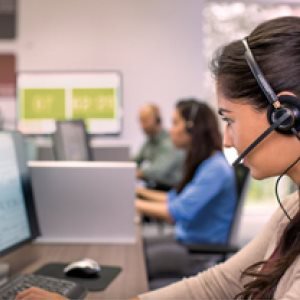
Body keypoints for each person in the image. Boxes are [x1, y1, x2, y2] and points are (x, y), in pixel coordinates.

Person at [16, 16, 300, 300]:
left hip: (195, 247)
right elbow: (220, 284)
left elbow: (178, 212)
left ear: (285, 115)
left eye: (229, 120)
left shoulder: (218, 170)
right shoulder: (291, 208)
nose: (227, 139)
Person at [136, 99, 237, 245]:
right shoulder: (206, 162)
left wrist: (131, 203)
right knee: (138, 244)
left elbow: (176, 212)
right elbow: (175, 198)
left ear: (192, 129)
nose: (170, 130)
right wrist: (139, 192)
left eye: (175, 123)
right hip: (186, 240)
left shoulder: (215, 169)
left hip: (197, 250)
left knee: (137, 252)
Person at [135, 103, 184, 189]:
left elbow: (156, 172)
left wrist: (133, 173)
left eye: (145, 121)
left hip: (169, 190)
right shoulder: (149, 141)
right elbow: (136, 160)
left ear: (158, 120)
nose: (142, 126)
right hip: (155, 187)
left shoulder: (170, 142)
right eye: (140, 121)